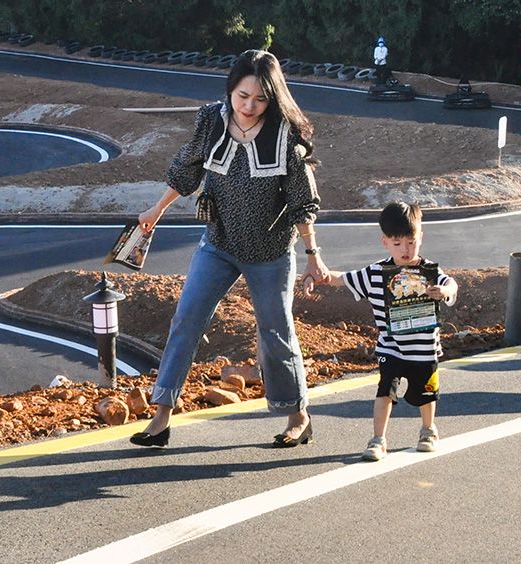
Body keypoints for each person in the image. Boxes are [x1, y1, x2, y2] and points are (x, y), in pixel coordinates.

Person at [131, 49, 322, 449]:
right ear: (230, 89)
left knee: (275, 331)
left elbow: (302, 201)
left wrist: (312, 254)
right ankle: (161, 417)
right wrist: (156, 210)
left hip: (270, 251)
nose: (249, 106)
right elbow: (187, 170)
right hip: (218, 243)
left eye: (260, 99)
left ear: (273, 98)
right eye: (242, 96)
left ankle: (298, 416)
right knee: (186, 319)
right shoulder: (210, 121)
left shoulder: (285, 135)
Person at [322, 203, 458, 461]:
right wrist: (320, 275)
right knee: (384, 391)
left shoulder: (430, 272)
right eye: (397, 243)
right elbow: (345, 278)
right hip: (390, 347)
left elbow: (451, 284)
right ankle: (378, 439)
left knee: (426, 393)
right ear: (385, 242)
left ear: (421, 237)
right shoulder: (376, 273)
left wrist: (445, 291)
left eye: (411, 242)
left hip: (423, 348)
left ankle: (428, 430)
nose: (405, 249)